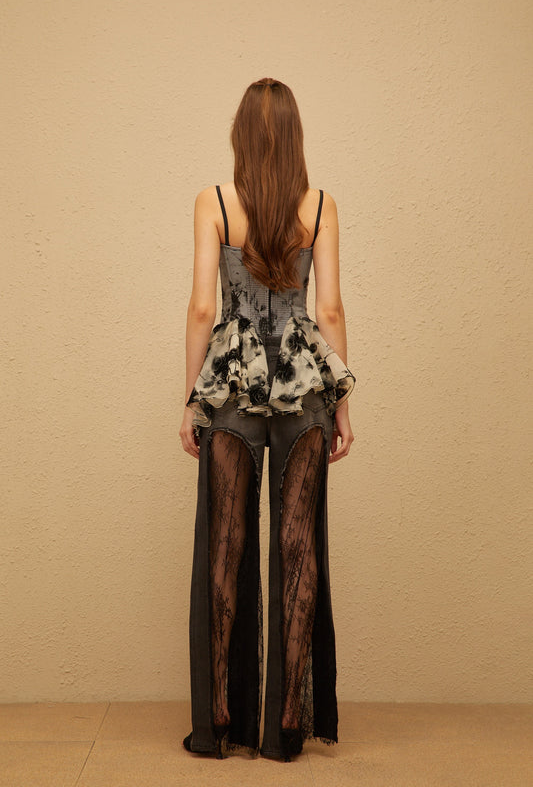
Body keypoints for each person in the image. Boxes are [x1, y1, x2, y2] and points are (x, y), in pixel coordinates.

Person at [179, 77, 356, 762]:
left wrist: (192, 399)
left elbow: (203, 307)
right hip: (304, 385)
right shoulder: (321, 205)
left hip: (231, 386)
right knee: (298, 545)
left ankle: (219, 715)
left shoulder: (216, 201)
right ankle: (286, 720)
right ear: (295, 134)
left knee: (225, 545)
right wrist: (342, 402)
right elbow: (329, 308)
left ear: (240, 136)